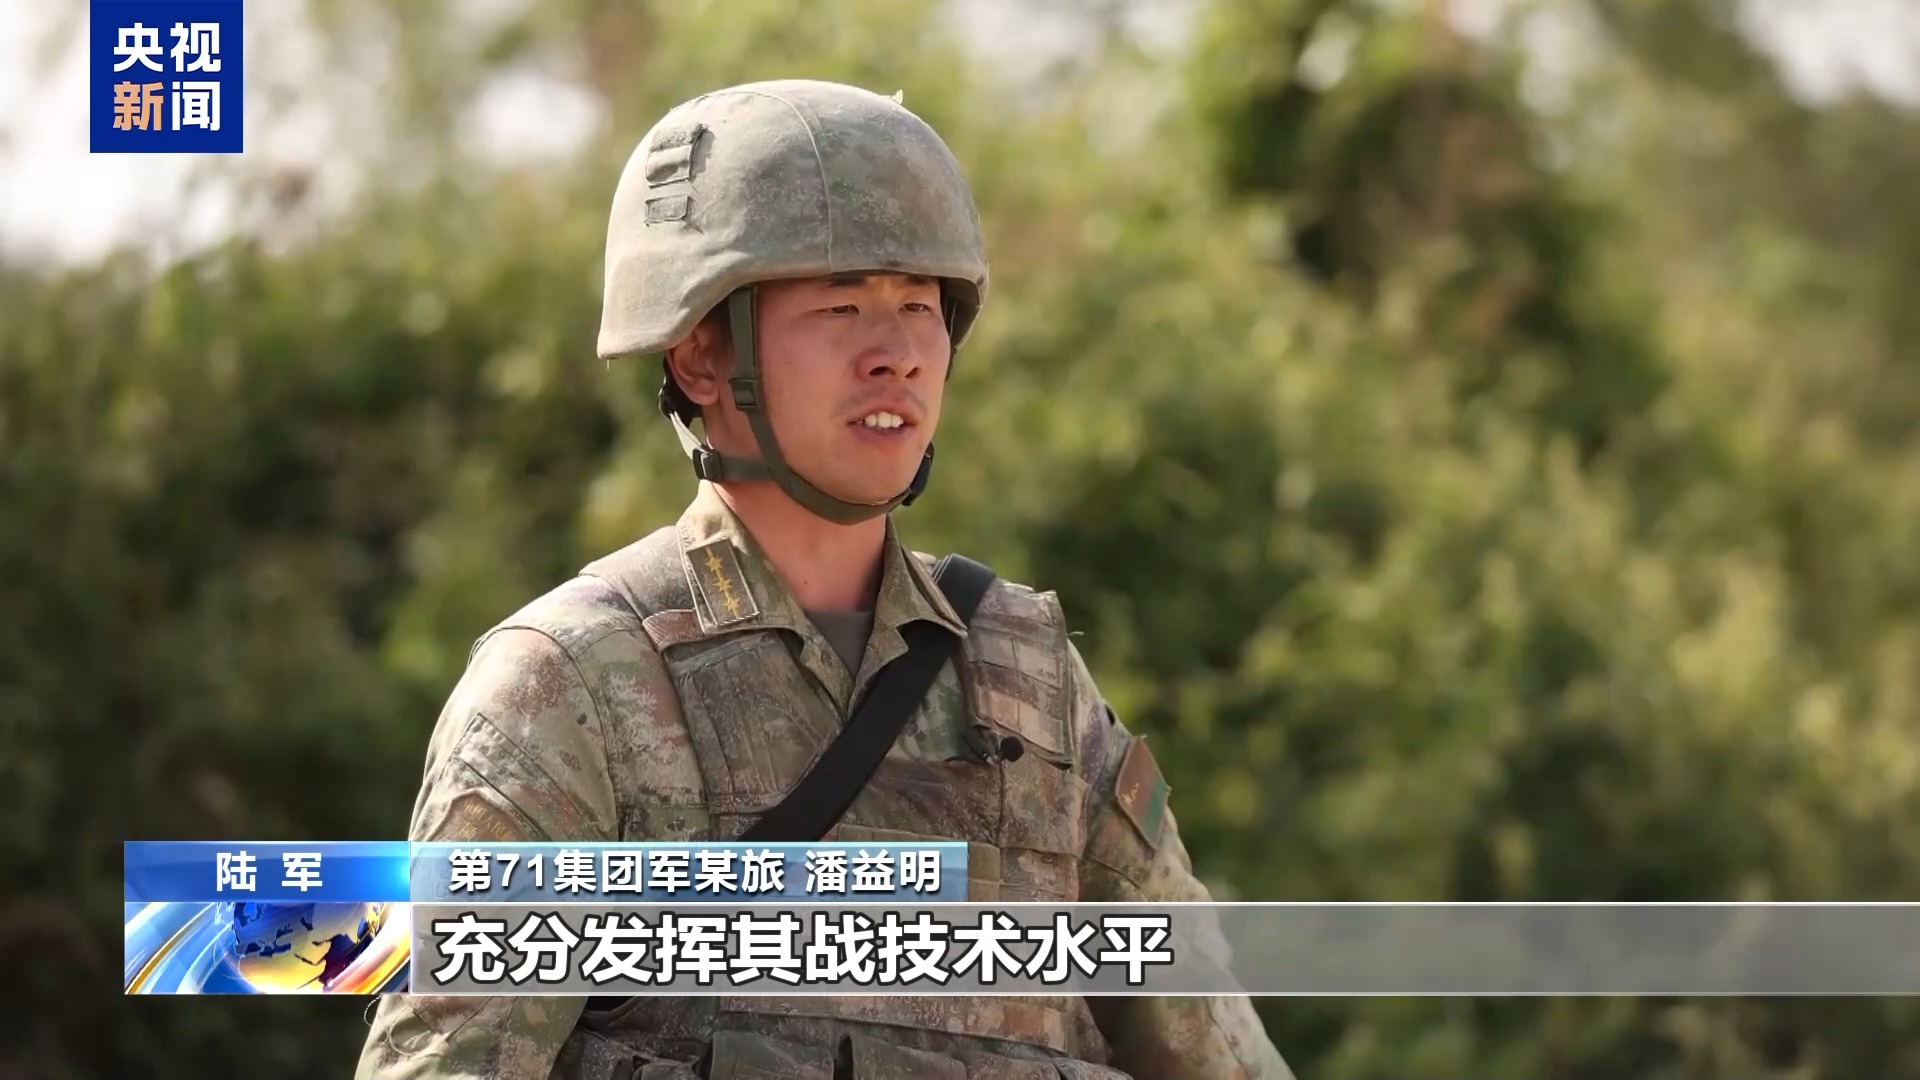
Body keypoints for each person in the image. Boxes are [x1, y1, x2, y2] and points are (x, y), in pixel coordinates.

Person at [355, 78, 1295, 1080]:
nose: (897, 356)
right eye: (841, 306)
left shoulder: (1033, 682)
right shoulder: (570, 685)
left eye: (920, 307)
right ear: (702, 355)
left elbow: (1217, 1049)